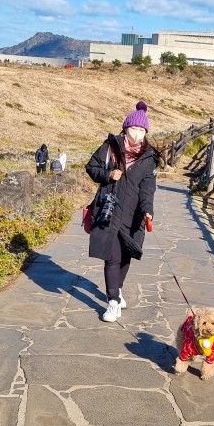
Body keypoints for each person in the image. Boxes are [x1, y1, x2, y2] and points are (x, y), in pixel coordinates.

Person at [86, 101, 158, 322]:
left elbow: (148, 188)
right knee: (111, 257)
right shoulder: (109, 147)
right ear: (125, 128)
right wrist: (108, 175)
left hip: (133, 215)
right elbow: (91, 167)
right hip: (108, 210)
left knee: (126, 255)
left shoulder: (149, 157)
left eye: (141, 130)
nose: (137, 134)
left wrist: (148, 211)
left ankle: (118, 288)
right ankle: (113, 301)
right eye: (134, 129)